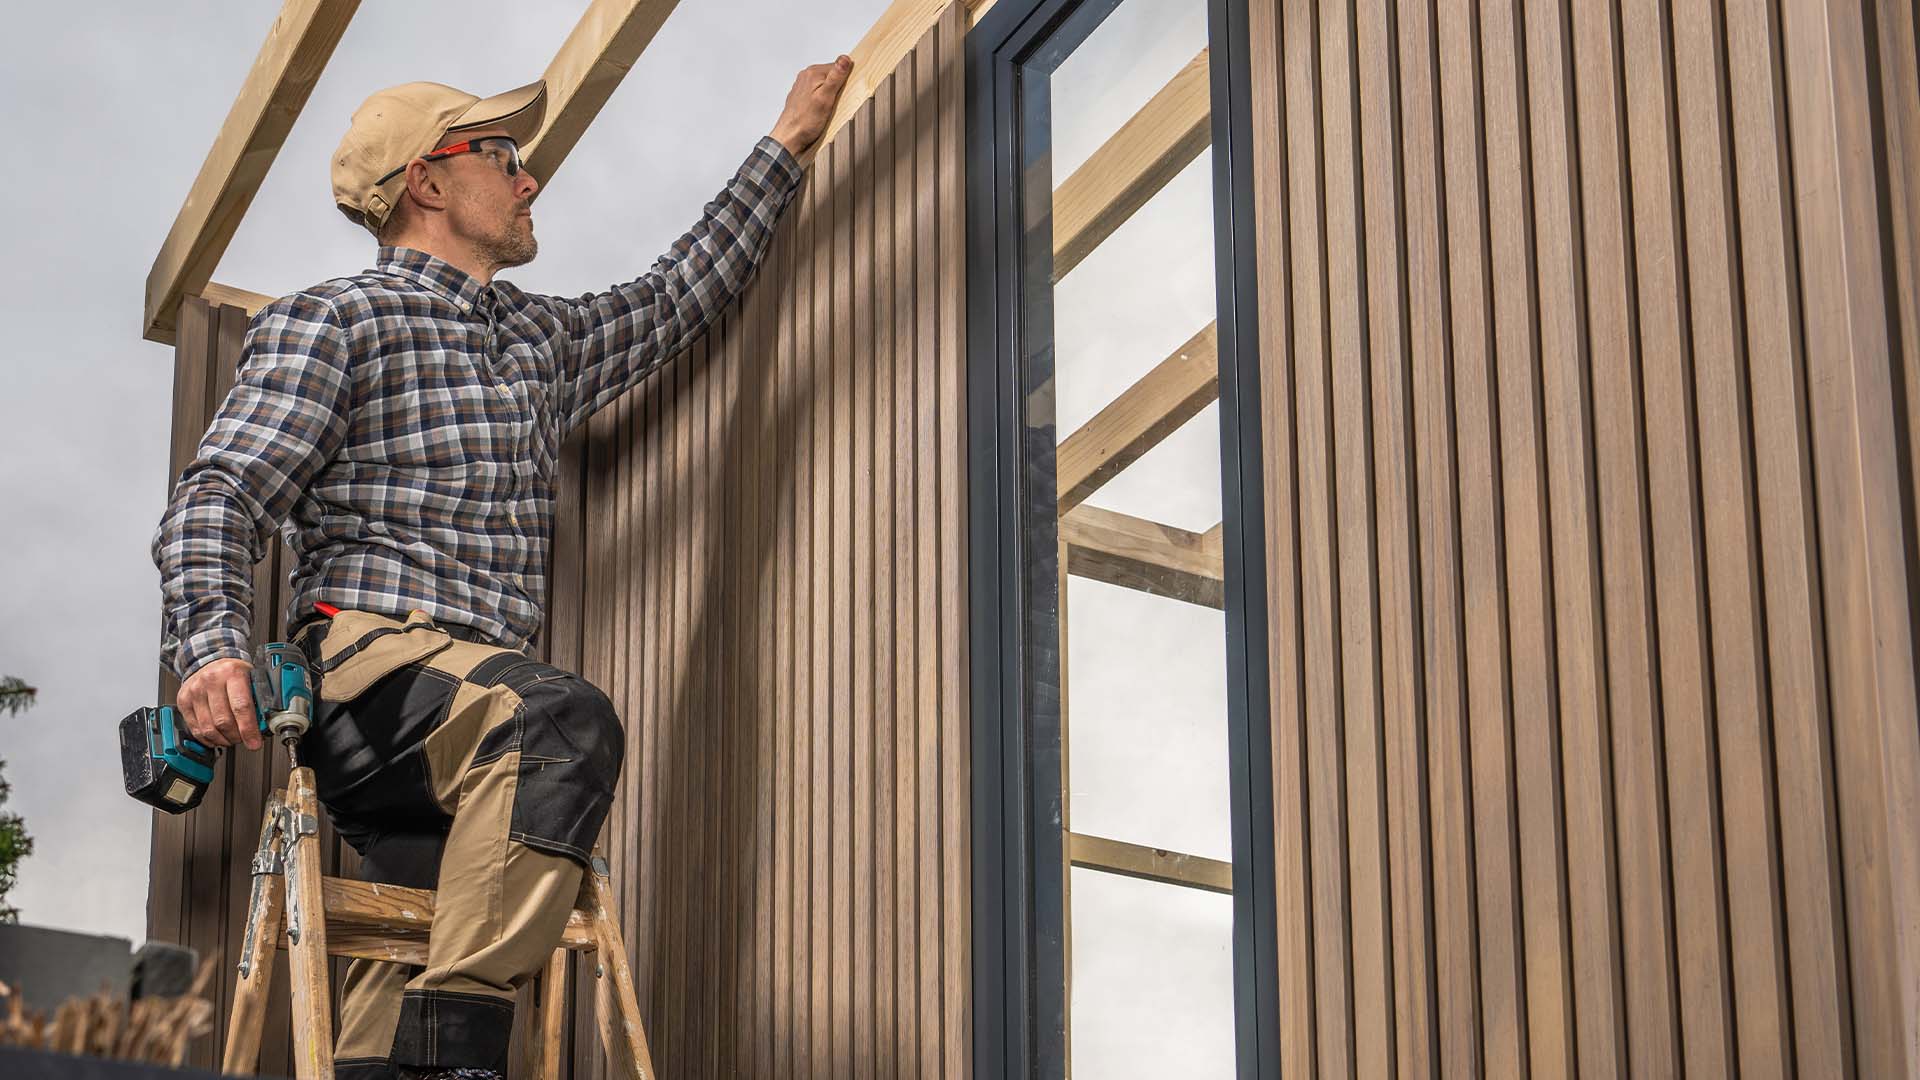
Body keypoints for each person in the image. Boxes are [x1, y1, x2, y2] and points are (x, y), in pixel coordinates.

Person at [150, 55, 853, 1080]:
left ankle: (397, 1057)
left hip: (476, 716)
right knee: (561, 721)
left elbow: (674, 297)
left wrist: (785, 145)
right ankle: (457, 1058)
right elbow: (219, 495)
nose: (528, 181)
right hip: (370, 677)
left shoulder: (538, 342)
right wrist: (210, 648)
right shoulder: (338, 320)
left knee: (433, 925)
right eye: (504, 158)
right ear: (428, 184)